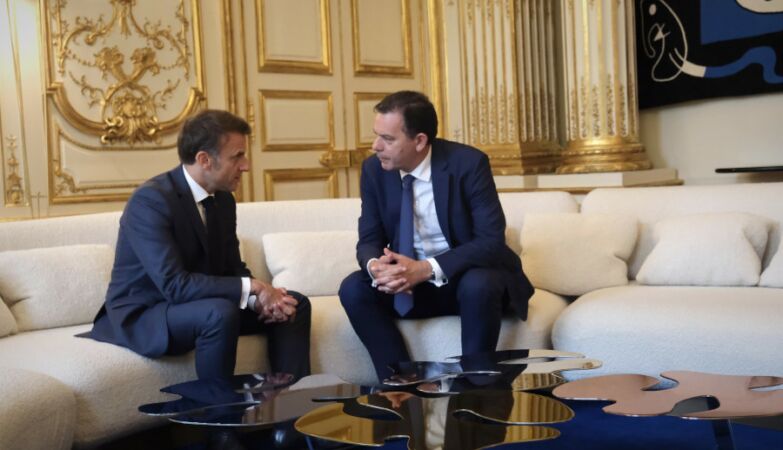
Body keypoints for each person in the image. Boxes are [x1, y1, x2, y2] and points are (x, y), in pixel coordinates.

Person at [86, 109, 311, 381]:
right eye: (237, 156)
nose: (247, 165)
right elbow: (174, 285)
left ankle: (290, 409)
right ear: (204, 160)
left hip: (201, 304)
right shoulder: (150, 202)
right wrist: (253, 287)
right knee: (219, 313)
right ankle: (218, 416)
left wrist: (261, 299)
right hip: (149, 312)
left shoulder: (223, 199)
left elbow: (231, 267)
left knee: (292, 304)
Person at [339, 91, 533, 382]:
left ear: (419, 141)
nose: (375, 146)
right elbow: (368, 239)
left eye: (388, 139)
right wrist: (377, 268)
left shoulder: (468, 164)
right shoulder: (374, 170)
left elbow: (491, 241)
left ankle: (475, 387)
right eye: (376, 135)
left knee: (479, 282)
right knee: (354, 287)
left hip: (463, 281)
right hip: (410, 288)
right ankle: (401, 383)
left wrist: (425, 268)